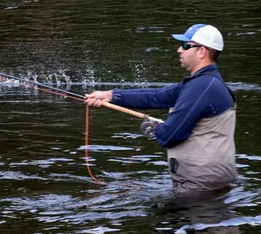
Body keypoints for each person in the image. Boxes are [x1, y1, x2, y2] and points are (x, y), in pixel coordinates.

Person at [86, 24, 237, 194]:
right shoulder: (204, 83)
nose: (179, 49)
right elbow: (156, 96)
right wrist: (110, 95)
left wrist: (153, 128)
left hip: (200, 187)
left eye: (186, 45)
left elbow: (170, 135)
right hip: (211, 182)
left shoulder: (201, 87)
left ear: (202, 51)